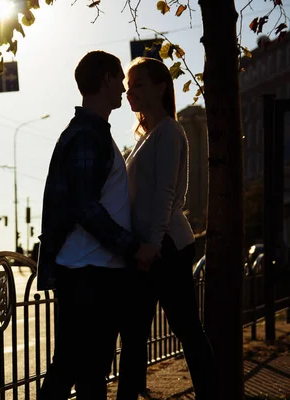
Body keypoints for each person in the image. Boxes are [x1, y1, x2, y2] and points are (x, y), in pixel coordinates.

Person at [36, 51, 159, 400]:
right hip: (88, 273)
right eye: (120, 80)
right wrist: (135, 247)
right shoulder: (88, 136)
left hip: (93, 272)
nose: (123, 89)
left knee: (88, 373)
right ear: (105, 79)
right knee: (72, 370)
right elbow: (86, 208)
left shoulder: (92, 134)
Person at [117, 56, 217, 400]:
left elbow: (167, 193)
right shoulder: (147, 137)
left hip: (166, 245)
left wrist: (153, 243)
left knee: (185, 328)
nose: (131, 93)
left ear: (161, 87)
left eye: (139, 84)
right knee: (134, 331)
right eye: (129, 87)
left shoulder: (170, 132)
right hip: (149, 244)